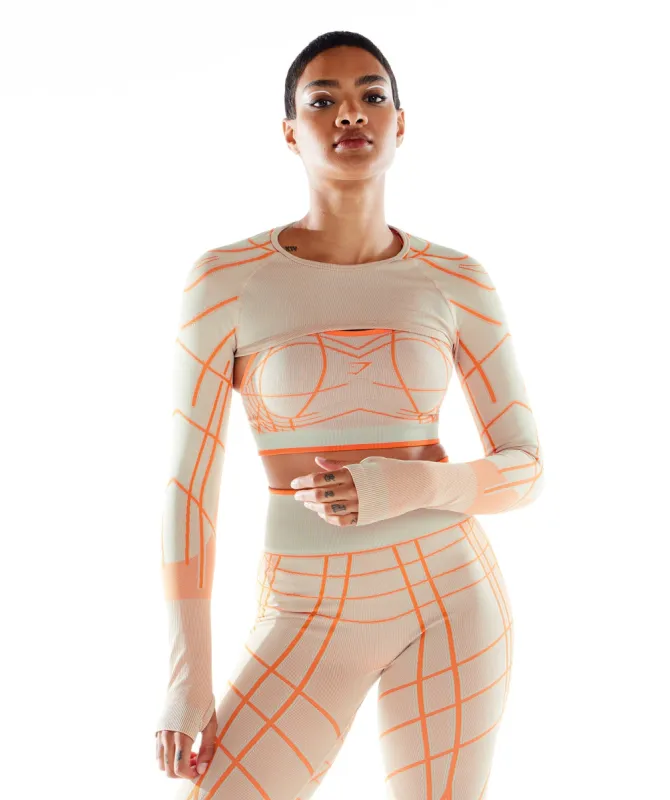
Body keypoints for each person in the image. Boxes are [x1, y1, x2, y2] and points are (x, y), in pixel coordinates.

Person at [154, 29, 545, 799]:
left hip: (452, 598)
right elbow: (188, 489)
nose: (350, 113)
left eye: (372, 96)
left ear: (401, 122)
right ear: (289, 132)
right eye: (322, 100)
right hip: (305, 604)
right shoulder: (226, 279)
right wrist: (185, 681)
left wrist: (411, 486)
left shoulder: (456, 278)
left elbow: (527, 467)